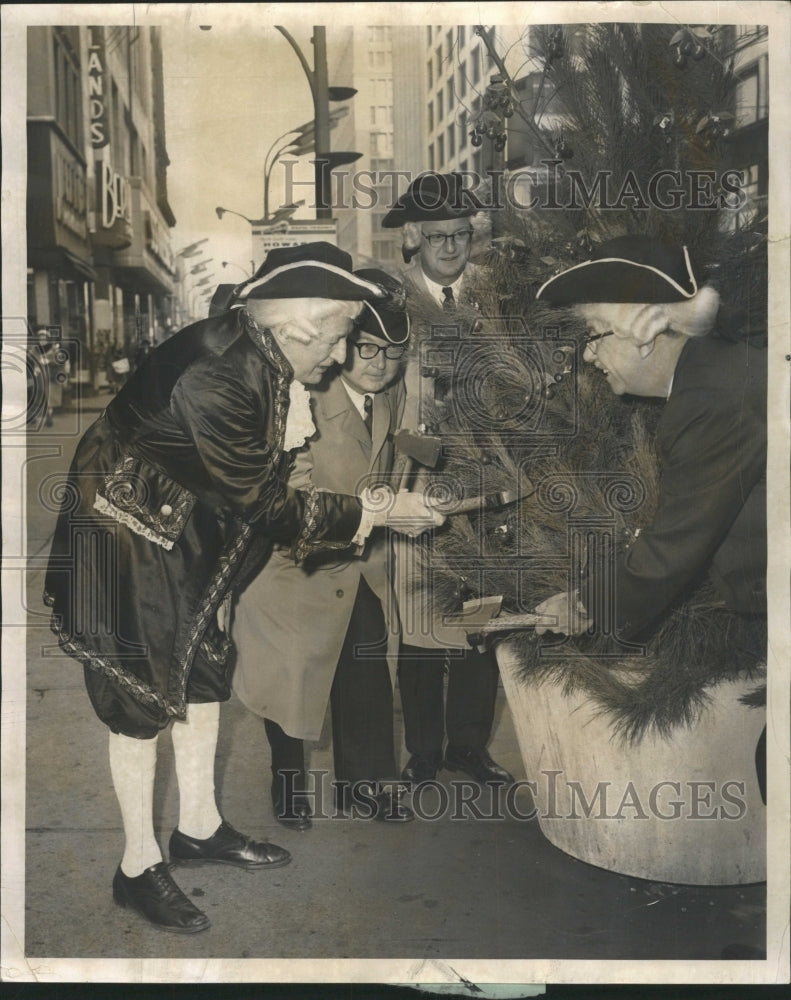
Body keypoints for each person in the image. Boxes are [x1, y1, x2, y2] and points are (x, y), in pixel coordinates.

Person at [44, 243, 443, 935]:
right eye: (341, 337)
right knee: (138, 700)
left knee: (201, 678)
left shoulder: (262, 351)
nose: (345, 355)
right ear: (298, 326)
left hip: (179, 530)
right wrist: (374, 513)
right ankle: (137, 865)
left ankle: (198, 828)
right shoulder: (218, 376)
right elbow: (266, 504)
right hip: (124, 541)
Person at [532, 235, 767, 798]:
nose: (587, 356)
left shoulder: (711, 397)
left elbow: (675, 547)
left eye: (594, 337)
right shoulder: (713, 376)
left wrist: (589, 605)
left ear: (642, 333)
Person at [232, 269, 414, 828]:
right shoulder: (303, 391)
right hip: (297, 561)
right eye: (366, 349)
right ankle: (287, 785)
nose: (380, 363)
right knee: (293, 678)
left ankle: (366, 784)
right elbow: (290, 483)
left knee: (364, 674)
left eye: (392, 353)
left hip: (359, 563)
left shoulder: (391, 397)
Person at [382, 173, 514, 788]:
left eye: (462, 234)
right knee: (419, 622)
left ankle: (469, 745)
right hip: (419, 473)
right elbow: (380, 398)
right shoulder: (392, 298)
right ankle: (424, 752)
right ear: (413, 238)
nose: (452, 247)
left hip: (490, 476)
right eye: (438, 236)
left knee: (482, 617)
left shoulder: (493, 294)